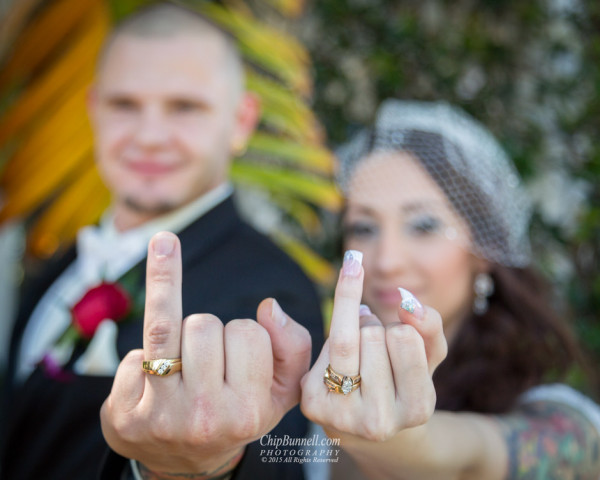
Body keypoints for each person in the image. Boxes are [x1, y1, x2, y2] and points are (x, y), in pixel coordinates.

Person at [0, 3, 324, 479]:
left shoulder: (271, 292)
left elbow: (275, 468)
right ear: (93, 110)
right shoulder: (60, 262)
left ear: (241, 122)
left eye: (185, 107)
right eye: (124, 104)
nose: (149, 136)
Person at [299, 99, 600, 479]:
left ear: (484, 249)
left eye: (423, 226)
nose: (387, 260)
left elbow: (472, 454)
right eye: (364, 228)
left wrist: (388, 437)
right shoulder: (316, 409)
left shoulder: (561, 423)